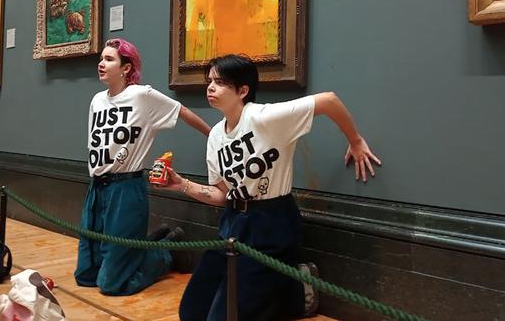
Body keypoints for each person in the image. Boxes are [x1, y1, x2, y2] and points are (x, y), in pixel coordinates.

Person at [161, 54, 381, 320]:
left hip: (271, 224)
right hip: (233, 225)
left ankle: (299, 288)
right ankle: (288, 287)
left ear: (242, 90)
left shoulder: (264, 117)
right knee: (191, 312)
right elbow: (222, 194)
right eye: (210, 81)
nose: (210, 87)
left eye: (220, 82)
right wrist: (181, 184)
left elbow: (329, 100)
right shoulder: (216, 136)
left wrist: (355, 141)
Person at [74, 38, 210, 296]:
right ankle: (149, 243)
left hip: (125, 188)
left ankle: (166, 251)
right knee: (86, 277)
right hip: (97, 188)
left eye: (109, 59)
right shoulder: (96, 101)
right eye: (101, 59)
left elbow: (181, 111)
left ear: (126, 67)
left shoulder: (141, 95)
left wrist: (215, 136)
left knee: (112, 285)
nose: (101, 64)